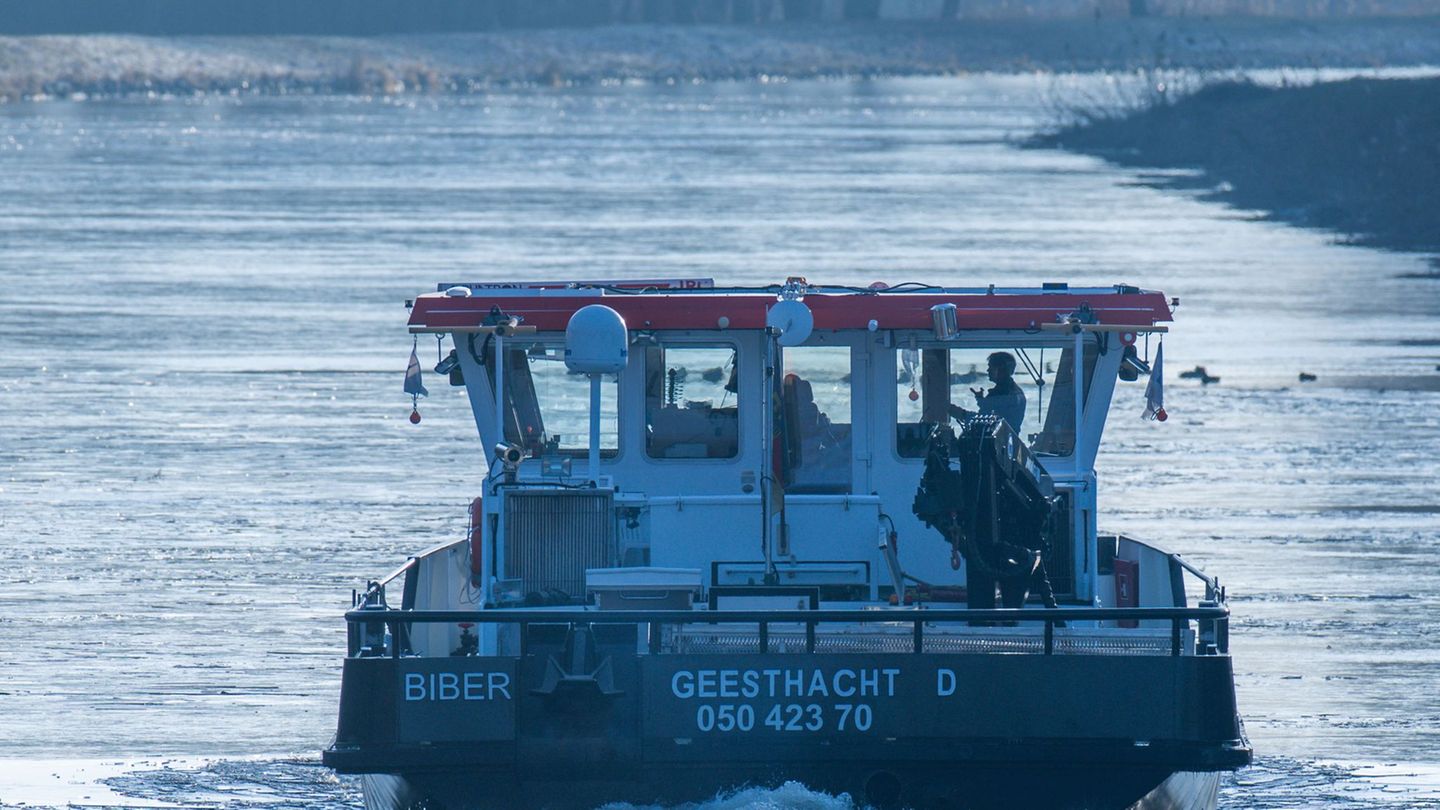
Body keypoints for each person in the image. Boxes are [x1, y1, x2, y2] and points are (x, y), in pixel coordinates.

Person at [949, 351, 1026, 432]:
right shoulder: (1012, 391)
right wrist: (982, 401)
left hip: (997, 443)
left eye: (991, 367)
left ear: (1001, 369)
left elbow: (988, 421)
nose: (988, 370)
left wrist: (960, 414)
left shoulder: (1004, 394)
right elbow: (993, 412)